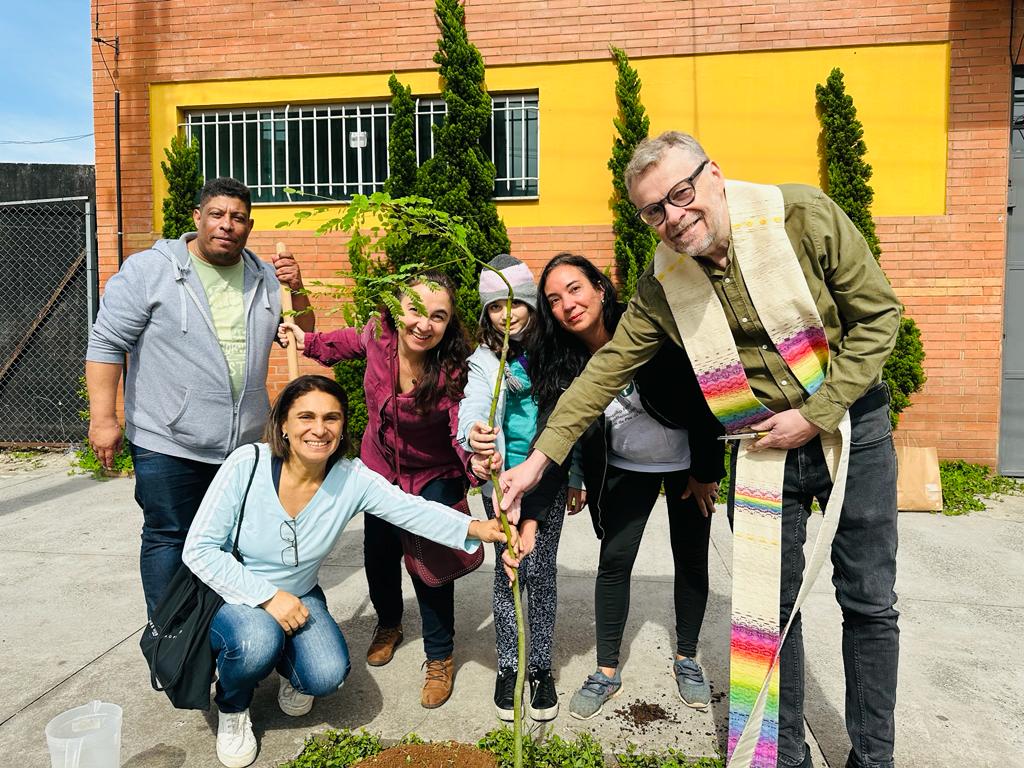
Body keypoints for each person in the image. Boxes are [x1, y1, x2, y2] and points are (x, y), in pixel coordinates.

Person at [499, 132, 901, 768]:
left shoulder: (802, 216)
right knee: (768, 613)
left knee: (869, 601)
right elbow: (601, 374)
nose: (673, 216)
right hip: (762, 444)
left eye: (681, 194)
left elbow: (881, 318)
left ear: (714, 175)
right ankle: (781, 754)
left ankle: (874, 757)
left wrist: (816, 414)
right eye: (654, 210)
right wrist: (538, 459)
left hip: (853, 424)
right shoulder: (664, 284)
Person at [182, 375, 512, 768]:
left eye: (331, 418)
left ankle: (291, 667)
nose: (318, 429)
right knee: (256, 639)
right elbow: (198, 549)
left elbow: (409, 508)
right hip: (237, 593)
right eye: (305, 416)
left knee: (327, 675)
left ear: (342, 428)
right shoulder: (247, 464)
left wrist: (476, 529)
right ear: (283, 424)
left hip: (300, 594)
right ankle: (233, 707)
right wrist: (269, 598)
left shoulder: (349, 477)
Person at [85, 177, 314, 617]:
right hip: (168, 440)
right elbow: (107, 343)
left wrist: (298, 288)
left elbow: (303, 332)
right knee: (169, 536)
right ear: (197, 217)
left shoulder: (265, 277)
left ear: (249, 226)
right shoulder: (149, 271)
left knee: (235, 540)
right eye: (217, 214)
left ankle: (226, 635)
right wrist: (104, 419)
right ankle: (171, 639)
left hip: (245, 444)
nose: (227, 225)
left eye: (238, 218)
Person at [530, 252, 724, 719]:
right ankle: (607, 670)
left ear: (600, 287)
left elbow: (704, 396)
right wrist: (569, 479)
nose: (567, 305)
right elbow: (564, 427)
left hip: (685, 467)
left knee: (691, 559)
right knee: (614, 562)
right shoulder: (565, 360)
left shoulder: (647, 329)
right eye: (554, 300)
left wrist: (706, 471)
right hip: (624, 470)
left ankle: (688, 658)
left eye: (574, 289)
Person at [278, 271, 475, 709]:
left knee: (431, 561)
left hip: (433, 472)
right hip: (380, 466)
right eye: (417, 311)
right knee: (379, 551)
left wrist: (476, 467)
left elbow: (462, 426)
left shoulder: (455, 369)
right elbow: (337, 343)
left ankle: (440, 655)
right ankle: (389, 623)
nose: (425, 324)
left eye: (438, 316)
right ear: (398, 310)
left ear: (449, 323)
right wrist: (303, 339)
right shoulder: (377, 334)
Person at [456, 254, 573, 722]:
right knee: (507, 574)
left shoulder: (557, 351)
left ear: (530, 303)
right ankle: (510, 665)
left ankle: (540, 667)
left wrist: (577, 477)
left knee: (540, 572)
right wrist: (474, 436)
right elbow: (474, 402)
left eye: (516, 303)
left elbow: (572, 419)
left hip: (549, 477)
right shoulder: (485, 359)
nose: (507, 314)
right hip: (499, 478)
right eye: (495, 307)